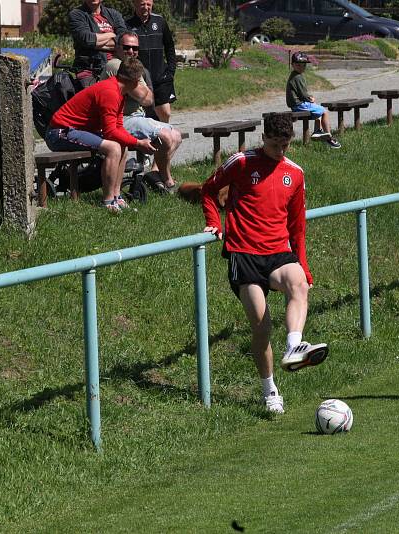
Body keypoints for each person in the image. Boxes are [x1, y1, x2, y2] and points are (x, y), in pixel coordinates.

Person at [201, 113, 329, 414]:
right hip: (243, 254)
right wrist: (213, 222)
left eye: (285, 146)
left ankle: (294, 346)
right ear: (263, 139)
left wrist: (305, 266)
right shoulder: (242, 162)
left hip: (277, 252)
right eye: (274, 146)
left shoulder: (295, 174)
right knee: (262, 327)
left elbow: (297, 226)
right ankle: (269, 388)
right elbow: (208, 190)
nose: (280, 152)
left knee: (298, 283)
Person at [45, 56, 156, 213]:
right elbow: (110, 132)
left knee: (122, 147)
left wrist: (133, 142)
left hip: (76, 131)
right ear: (135, 81)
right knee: (113, 148)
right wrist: (138, 143)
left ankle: (117, 197)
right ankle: (108, 201)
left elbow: (117, 128)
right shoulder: (110, 92)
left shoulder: (119, 93)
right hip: (59, 133)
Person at [104, 32, 183, 192]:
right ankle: (167, 182)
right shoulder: (114, 65)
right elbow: (144, 96)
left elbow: (149, 99)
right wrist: (140, 88)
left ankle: (155, 174)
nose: (131, 51)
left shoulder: (133, 67)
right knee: (166, 137)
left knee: (177, 136)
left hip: (138, 116)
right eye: (126, 47)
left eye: (135, 48)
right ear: (118, 48)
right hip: (121, 119)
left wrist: (137, 89)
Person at [126, 0, 177, 125]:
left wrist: (170, 71)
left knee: (165, 112)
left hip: (161, 76)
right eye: (142, 4)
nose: (146, 7)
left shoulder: (160, 21)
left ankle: (165, 138)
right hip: (141, 77)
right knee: (146, 114)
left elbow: (170, 47)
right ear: (135, 4)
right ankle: (149, 141)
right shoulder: (127, 24)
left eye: (148, 4)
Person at [286, 52, 341, 149]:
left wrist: (309, 99)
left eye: (303, 65)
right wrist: (309, 98)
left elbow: (301, 93)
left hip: (297, 104)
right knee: (324, 111)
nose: (301, 67)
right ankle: (329, 137)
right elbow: (302, 94)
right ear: (292, 65)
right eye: (298, 65)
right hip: (299, 105)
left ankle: (317, 131)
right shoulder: (297, 77)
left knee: (317, 107)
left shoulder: (295, 75)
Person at [69, 0, 128, 78]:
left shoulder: (114, 14)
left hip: (117, 64)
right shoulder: (77, 14)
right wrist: (111, 35)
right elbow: (87, 39)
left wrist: (95, 43)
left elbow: (124, 39)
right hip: (90, 70)